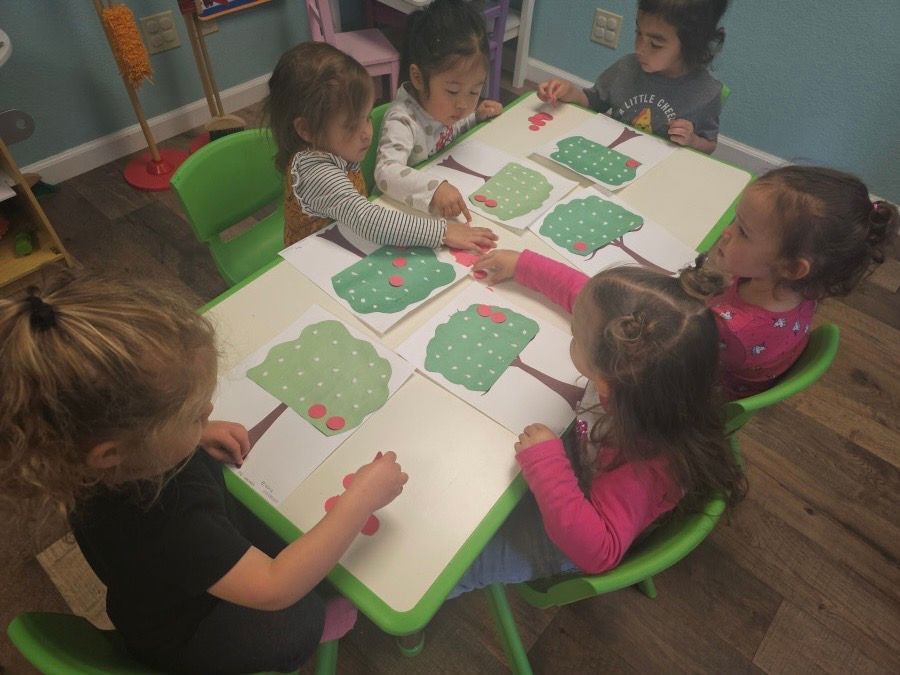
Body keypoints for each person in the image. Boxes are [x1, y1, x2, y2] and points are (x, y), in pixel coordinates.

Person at [0, 269, 408, 674]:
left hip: (159, 594)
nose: (210, 412)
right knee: (297, 619)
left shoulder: (82, 458)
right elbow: (274, 586)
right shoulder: (162, 518)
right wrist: (361, 498)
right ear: (112, 452)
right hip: (194, 633)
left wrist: (196, 434)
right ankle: (316, 624)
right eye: (195, 414)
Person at [447, 250, 744, 593]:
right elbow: (590, 301)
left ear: (605, 381)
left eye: (576, 337)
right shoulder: (657, 367)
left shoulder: (641, 466)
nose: (574, 335)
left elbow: (598, 553)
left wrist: (547, 465)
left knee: (454, 568)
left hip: (580, 532)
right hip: (580, 463)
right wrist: (523, 265)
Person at [680, 165, 898, 399]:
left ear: (792, 268)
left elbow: (679, 356)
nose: (725, 232)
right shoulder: (807, 288)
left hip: (707, 396)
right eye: (735, 219)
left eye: (743, 231)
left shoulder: (727, 326)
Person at [266, 41, 496, 251]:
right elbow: (367, 219)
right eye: (351, 126)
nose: (366, 133)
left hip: (344, 238)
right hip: (312, 259)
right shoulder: (316, 171)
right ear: (306, 130)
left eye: (366, 117)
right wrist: (443, 232)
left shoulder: (332, 144)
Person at [538, 0, 729, 154]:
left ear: (691, 46)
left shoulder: (706, 93)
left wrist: (693, 140)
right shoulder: (626, 67)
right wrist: (569, 91)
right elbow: (593, 101)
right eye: (638, 33)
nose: (639, 49)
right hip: (612, 155)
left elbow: (709, 145)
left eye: (655, 44)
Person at [374, 0, 504, 220]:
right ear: (418, 78)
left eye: (474, 92)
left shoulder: (447, 110)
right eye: (453, 91)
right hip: (400, 214)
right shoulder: (403, 120)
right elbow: (385, 171)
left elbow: (457, 126)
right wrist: (434, 189)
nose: (463, 105)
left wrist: (478, 115)